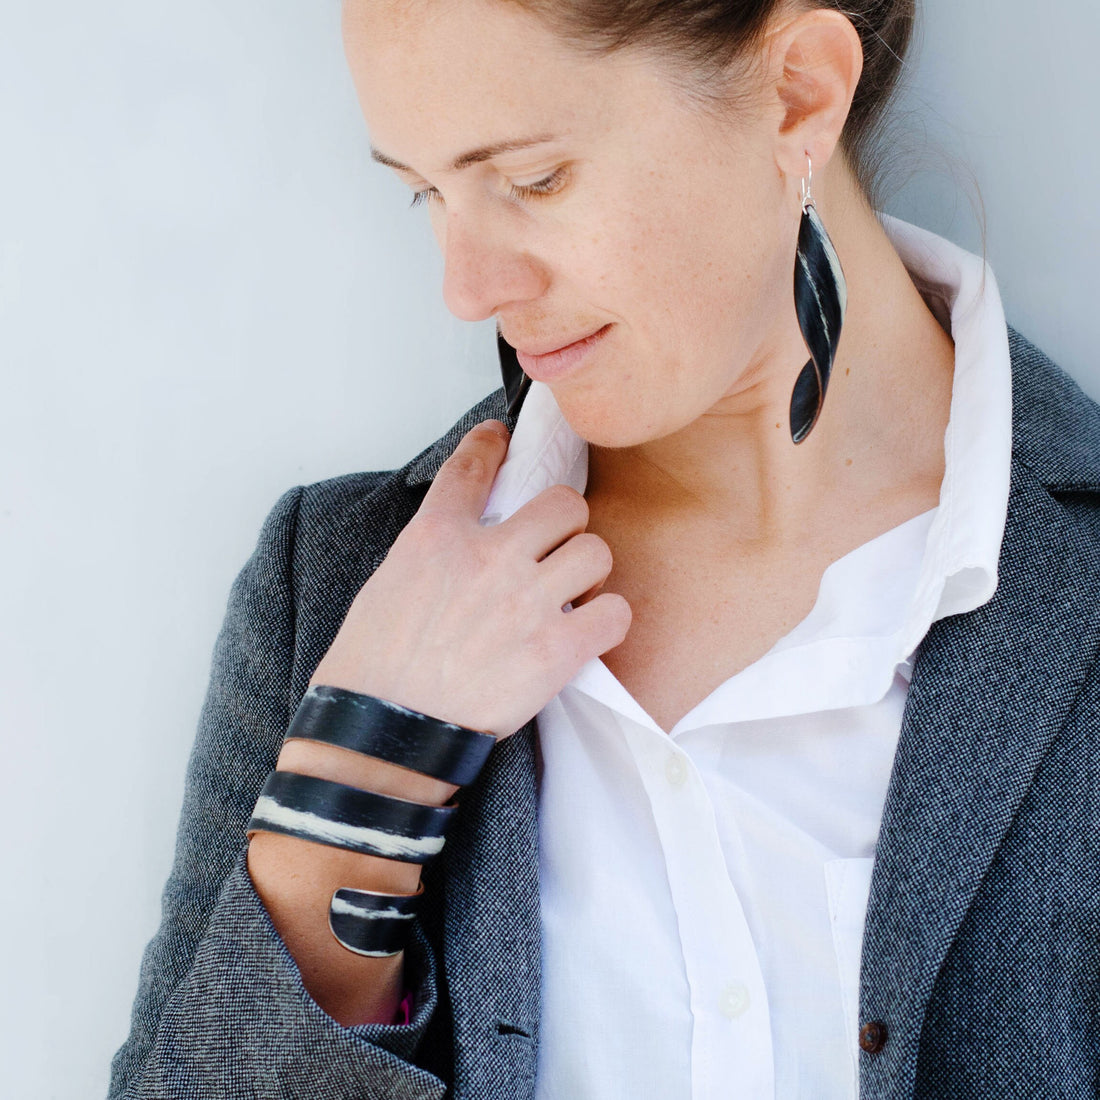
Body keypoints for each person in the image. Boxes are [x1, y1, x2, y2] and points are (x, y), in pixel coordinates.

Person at [109, 0, 1100, 1097]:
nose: (466, 288)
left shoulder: (1077, 593)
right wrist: (342, 821)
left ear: (798, 93)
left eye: (533, 178)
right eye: (425, 192)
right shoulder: (337, 588)